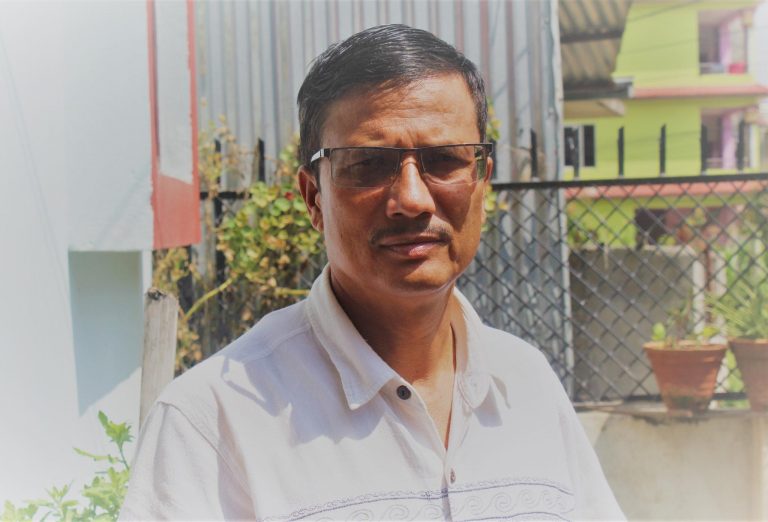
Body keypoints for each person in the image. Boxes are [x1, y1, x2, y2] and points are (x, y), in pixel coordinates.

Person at [121, 24, 624, 521]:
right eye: (368, 165)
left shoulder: (527, 383)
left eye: (444, 160)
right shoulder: (213, 422)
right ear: (313, 197)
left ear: (481, 182)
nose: (412, 199)